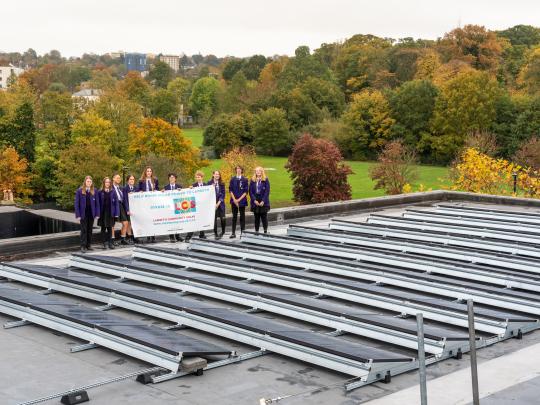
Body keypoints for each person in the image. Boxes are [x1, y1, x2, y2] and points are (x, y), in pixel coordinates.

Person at [74, 176, 100, 253]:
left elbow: (97, 204)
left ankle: (88, 245)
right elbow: (76, 204)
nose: (89, 183)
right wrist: (78, 215)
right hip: (83, 214)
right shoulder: (80, 191)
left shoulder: (94, 191)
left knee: (89, 229)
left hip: (91, 214)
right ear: (85, 182)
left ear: (92, 183)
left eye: (90, 181)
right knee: (84, 230)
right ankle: (83, 245)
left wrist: (97, 214)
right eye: (87, 181)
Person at [138, 166, 158, 243]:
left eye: (150, 171)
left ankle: (153, 236)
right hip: (145, 202)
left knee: (153, 218)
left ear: (152, 172)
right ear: (145, 172)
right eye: (147, 171)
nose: (149, 172)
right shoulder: (141, 180)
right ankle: (148, 236)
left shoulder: (155, 180)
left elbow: (157, 188)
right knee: (147, 218)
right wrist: (140, 192)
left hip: (153, 201)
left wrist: (157, 191)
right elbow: (138, 189)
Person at [98, 176, 119, 249]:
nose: (107, 183)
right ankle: (104, 243)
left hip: (111, 212)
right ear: (104, 183)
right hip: (103, 213)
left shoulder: (113, 191)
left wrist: (116, 213)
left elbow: (116, 203)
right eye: (106, 182)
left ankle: (110, 243)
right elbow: (98, 203)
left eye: (109, 182)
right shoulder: (100, 192)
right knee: (103, 228)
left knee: (110, 228)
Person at [185, 171, 207, 242]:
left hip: (203, 206)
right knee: (193, 221)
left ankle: (202, 235)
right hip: (195, 206)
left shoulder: (206, 185)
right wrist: (190, 189)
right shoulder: (193, 185)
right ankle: (188, 237)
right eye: (197, 177)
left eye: (199, 177)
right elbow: (189, 194)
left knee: (202, 220)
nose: (198, 178)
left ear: (202, 177)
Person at [249, 166, 270, 234]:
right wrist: (254, 200)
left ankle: (265, 231)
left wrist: (263, 201)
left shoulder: (265, 179)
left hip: (263, 201)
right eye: (256, 171)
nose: (258, 172)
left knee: (264, 217)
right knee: (256, 218)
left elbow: (267, 191)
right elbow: (250, 191)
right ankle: (257, 231)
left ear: (262, 172)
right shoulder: (252, 180)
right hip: (255, 201)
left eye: (259, 171)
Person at [229, 165, 248, 238]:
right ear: (236, 170)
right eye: (237, 168)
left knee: (242, 217)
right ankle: (233, 233)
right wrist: (234, 200)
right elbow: (230, 190)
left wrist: (239, 200)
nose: (238, 170)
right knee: (234, 217)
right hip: (234, 201)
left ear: (241, 170)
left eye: (240, 168)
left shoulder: (245, 179)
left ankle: (243, 233)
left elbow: (246, 191)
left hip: (242, 201)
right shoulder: (232, 179)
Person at [163, 172, 183, 243]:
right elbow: (162, 197)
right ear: (168, 179)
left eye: (173, 177)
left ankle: (178, 236)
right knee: (170, 222)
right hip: (169, 207)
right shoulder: (165, 187)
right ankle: (171, 237)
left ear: (175, 179)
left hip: (177, 206)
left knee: (177, 221)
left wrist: (181, 191)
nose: (172, 179)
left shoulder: (179, 187)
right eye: (170, 177)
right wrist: (162, 192)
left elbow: (183, 195)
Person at [112, 173, 129, 246]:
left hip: (121, 205)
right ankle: (112, 240)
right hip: (114, 206)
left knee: (125, 223)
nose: (118, 179)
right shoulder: (110, 187)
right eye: (117, 178)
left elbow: (125, 198)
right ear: (113, 178)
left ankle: (123, 239)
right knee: (112, 224)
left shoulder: (121, 188)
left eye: (119, 178)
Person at [209, 170, 226, 239]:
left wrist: (218, 203)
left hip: (220, 204)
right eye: (216, 174)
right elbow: (207, 194)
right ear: (213, 175)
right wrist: (211, 187)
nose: (217, 175)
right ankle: (215, 233)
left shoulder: (222, 183)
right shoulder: (209, 183)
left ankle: (223, 232)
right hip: (213, 205)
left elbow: (223, 194)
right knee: (214, 220)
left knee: (223, 219)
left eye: (218, 174)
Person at [123, 174, 137, 244]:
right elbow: (125, 200)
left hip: (135, 208)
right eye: (130, 179)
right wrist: (127, 210)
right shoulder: (125, 188)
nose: (132, 181)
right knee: (128, 223)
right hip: (128, 208)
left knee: (133, 223)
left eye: (133, 179)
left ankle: (134, 237)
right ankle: (129, 237)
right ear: (127, 181)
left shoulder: (136, 188)